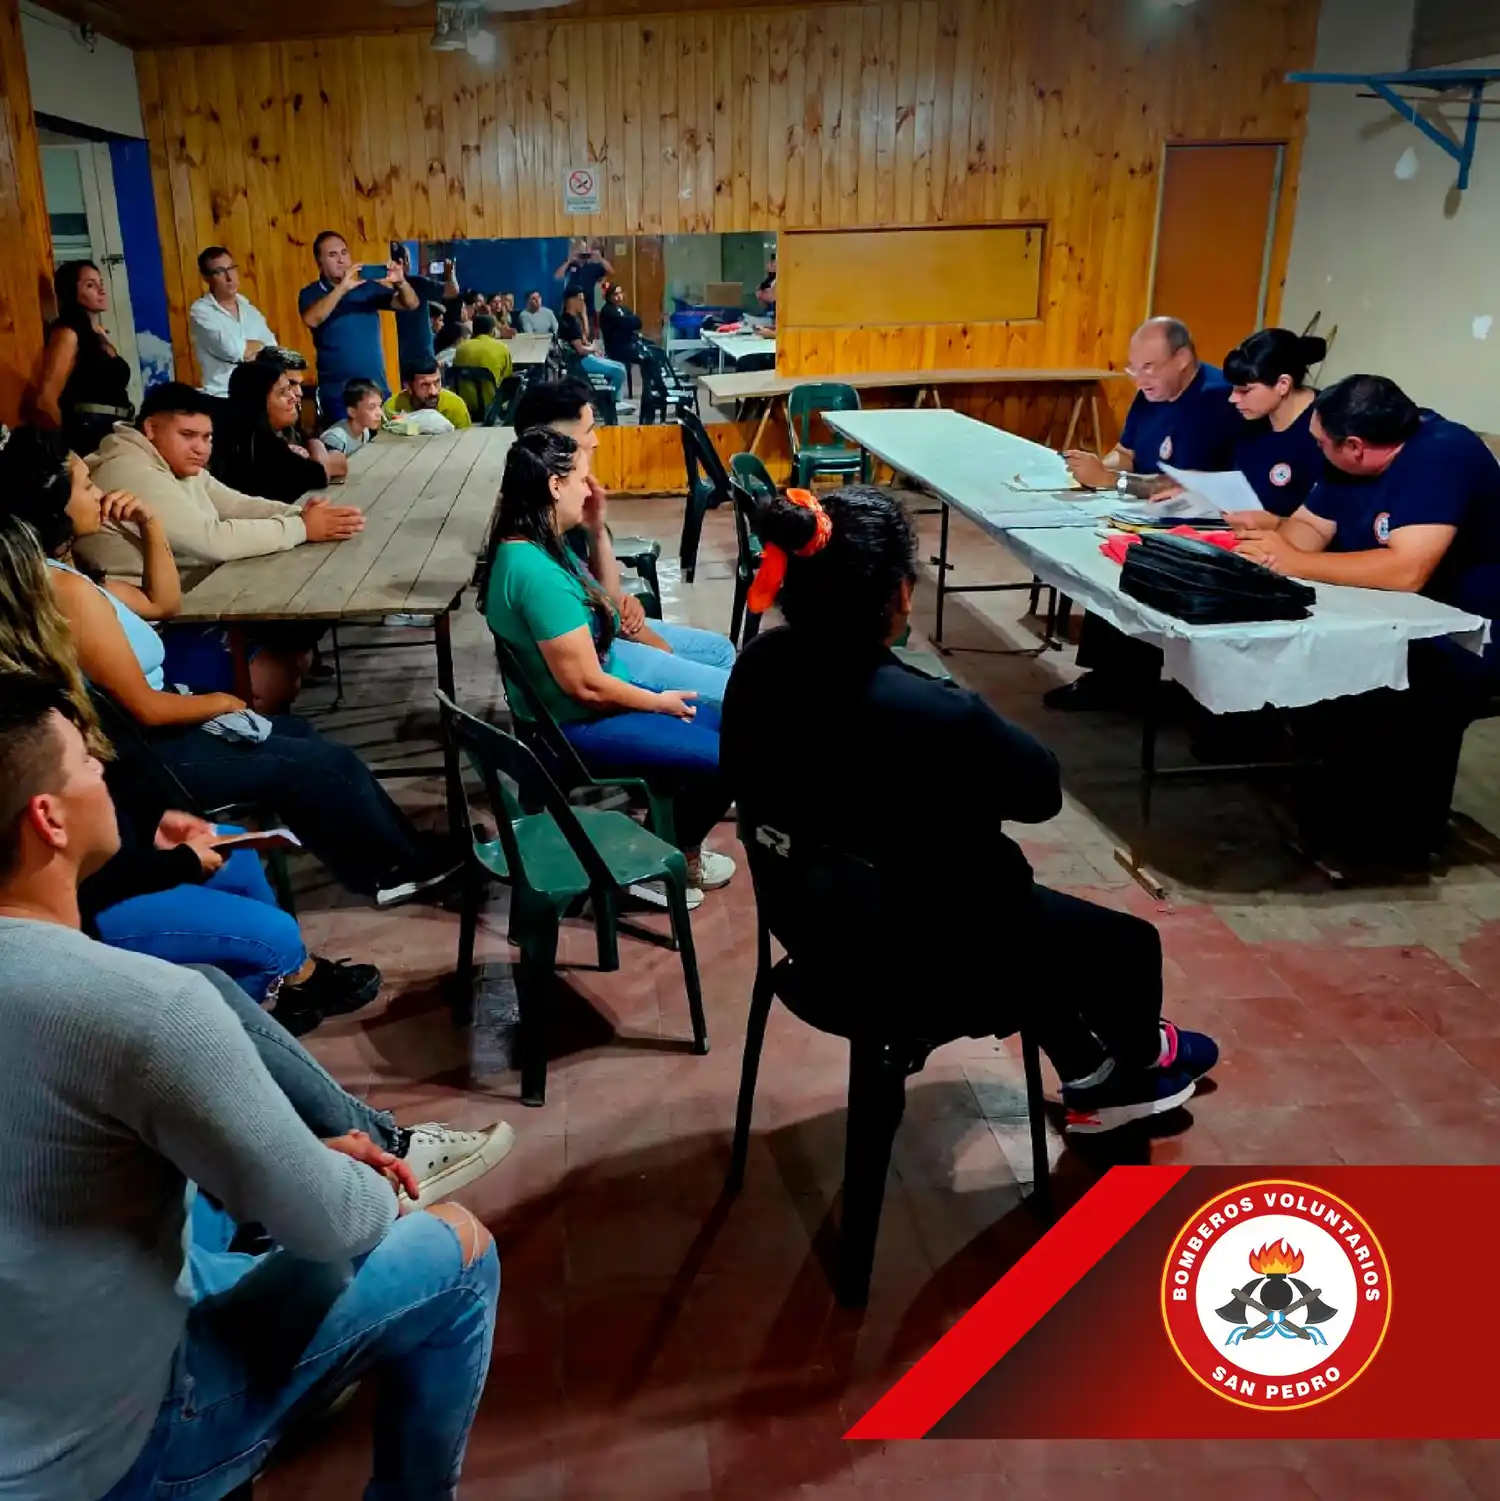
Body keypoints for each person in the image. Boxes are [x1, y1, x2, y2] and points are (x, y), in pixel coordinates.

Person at [0, 676, 500, 1501]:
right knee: (458, 1248)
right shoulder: (144, 1005)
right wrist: (349, 1176)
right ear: (48, 819)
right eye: (86, 760)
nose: (103, 770)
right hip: (107, 1456)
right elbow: (337, 1221)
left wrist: (285, 1152)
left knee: (215, 1211)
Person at [720, 485, 1219, 1133]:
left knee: (1012, 912)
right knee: (1128, 945)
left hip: (813, 932)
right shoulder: (936, 712)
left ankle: (1092, 1066)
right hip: (926, 964)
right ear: (900, 595)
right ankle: (1135, 1068)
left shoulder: (759, 665)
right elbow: (1040, 792)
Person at [0, 494, 458, 908]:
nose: (100, 494)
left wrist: (151, 525)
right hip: (148, 754)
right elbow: (147, 709)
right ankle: (397, 870)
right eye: (86, 487)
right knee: (323, 765)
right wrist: (220, 702)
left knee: (299, 735)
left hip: (157, 728)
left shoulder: (68, 575)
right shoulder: (64, 591)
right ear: (55, 504)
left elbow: (165, 604)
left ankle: (395, 857)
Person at [1234, 375, 1500, 865]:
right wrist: (1274, 555)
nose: (1315, 448)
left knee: (1386, 688)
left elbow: (1406, 571)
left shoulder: (1443, 455)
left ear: (1355, 447)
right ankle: (1323, 810)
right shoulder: (1347, 459)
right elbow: (1309, 525)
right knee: (1303, 656)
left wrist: (1296, 563)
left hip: (1465, 630)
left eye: (1321, 442)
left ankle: (1387, 844)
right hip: (1382, 611)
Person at [483, 428, 735, 898]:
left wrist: (596, 528)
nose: (590, 489)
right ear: (554, 485)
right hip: (572, 726)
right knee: (731, 759)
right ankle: (659, 865)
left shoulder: (539, 545)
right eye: (582, 478)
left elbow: (608, 607)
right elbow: (587, 687)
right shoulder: (535, 572)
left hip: (579, 709)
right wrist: (658, 702)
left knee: (734, 726)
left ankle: (672, 846)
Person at [1047, 316, 1242, 712]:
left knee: (1130, 558)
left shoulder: (1217, 401)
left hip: (1201, 520)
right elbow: (1127, 453)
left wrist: (1112, 480)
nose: (1139, 379)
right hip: (1142, 510)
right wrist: (1094, 469)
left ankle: (1124, 681)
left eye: (1149, 368)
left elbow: (1187, 487)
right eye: (1133, 369)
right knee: (1096, 549)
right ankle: (1110, 675)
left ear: (1182, 359)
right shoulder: (1150, 393)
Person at [508, 378, 737, 673]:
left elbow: (606, 597)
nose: (596, 440)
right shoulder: (544, 525)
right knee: (722, 678)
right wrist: (661, 649)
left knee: (720, 652)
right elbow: (599, 627)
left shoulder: (564, 498)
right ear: (554, 440)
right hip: (598, 652)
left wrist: (598, 533)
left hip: (605, 629)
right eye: (588, 430)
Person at [77, 383, 363, 591]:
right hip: (150, 617)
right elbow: (211, 540)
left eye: (207, 438)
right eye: (188, 435)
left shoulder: (171, 461)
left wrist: (299, 515)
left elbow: (235, 505)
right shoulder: (130, 470)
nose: (200, 448)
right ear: (151, 429)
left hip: (189, 591)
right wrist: (302, 528)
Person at [298, 230, 419, 422]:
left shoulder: (367, 288)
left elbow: (411, 304)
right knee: (345, 441)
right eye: (332, 255)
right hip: (339, 395)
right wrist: (342, 289)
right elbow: (312, 319)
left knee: (388, 440)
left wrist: (401, 282)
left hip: (377, 390)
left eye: (344, 253)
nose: (341, 260)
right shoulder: (311, 293)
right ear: (319, 262)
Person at [1219, 328, 1329, 528]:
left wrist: (1278, 523)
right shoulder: (1248, 420)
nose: (1233, 399)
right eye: (1233, 389)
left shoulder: (1327, 426)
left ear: (1283, 384)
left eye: (1244, 390)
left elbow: (1336, 521)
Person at [34, 259, 134, 455]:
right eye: (90, 285)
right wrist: (64, 446)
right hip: (88, 433)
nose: (101, 290)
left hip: (117, 428)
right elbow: (45, 399)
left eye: (101, 283)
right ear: (72, 292)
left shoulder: (97, 334)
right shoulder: (68, 333)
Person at [211, 360, 350, 500]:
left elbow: (341, 462)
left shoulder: (287, 431)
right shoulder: (261, 447)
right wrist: (316, 445)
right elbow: (320, 475)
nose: (293, 397)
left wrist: (315, 449)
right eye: (282, 393)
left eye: (289, 388)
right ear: (258, 403)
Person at [188, 245, 279, 398]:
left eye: (231, 268)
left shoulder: (248, 308)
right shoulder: (201, 311)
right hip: (222, 396)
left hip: (256, 394)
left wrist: (252, 348)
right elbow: (233, 350)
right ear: (206, 278)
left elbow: (272, 348)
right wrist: (254, 348)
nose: (229, 277)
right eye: (219, 272)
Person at [390, 244, 459, 373]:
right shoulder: (418, 284)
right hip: (421, 358)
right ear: (402, 262)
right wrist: (450, 274)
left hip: (392, 360)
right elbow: (452, 290)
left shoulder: (378, 288)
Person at [559, 289, 627, 401]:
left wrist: (584, 315)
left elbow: (584, 339)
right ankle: (611, 402)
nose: (583, 303)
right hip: (579, 361)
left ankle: (614, 400)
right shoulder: (568, 322)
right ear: (571, 301)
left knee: (620, 366)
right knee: (619, 371)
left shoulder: (575, 319)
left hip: (586, 357)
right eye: (580, 300)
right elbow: (580, 350)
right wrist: (593, 349)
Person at [450, 313, 516, 419]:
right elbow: (507, 378)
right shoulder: (502, 348)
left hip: (465, 404)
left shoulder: (460, 349)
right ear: (492, 330)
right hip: (491, 406)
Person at [384, 357, 473, 429]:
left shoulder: (454, 406)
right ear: (408, 387)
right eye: (425, 385)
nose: (433, 392)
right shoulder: (392, 408)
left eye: (437, 382)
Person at [556, 237, 614, 334]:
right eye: (578, 250)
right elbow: (558, 276)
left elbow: (611, 272)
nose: (581, 252)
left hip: (588, 302)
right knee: (571, 330)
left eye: (583, 250)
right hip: (571, 304)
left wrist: (600, 258)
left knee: (588, 329)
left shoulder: (593, 266)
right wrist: (569, 260)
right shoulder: (571, 265)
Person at [322, 376, 385, 454]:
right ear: (352, 412)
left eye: (380, 406)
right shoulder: (336, 439)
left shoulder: (365, 431)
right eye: (372, 407)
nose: (380, 413)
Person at [599, 283, 643, 393]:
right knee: (646, 356)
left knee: (653, 352)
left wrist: (629, 322)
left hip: (629, 343)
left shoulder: (624, 309)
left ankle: (651, 388)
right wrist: (629, 322)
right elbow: (623, 323)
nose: (619, 296)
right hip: (617, 347)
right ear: (609, 296)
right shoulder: (607, 310)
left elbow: (638, 322)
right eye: (615, 294)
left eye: (620, 293)